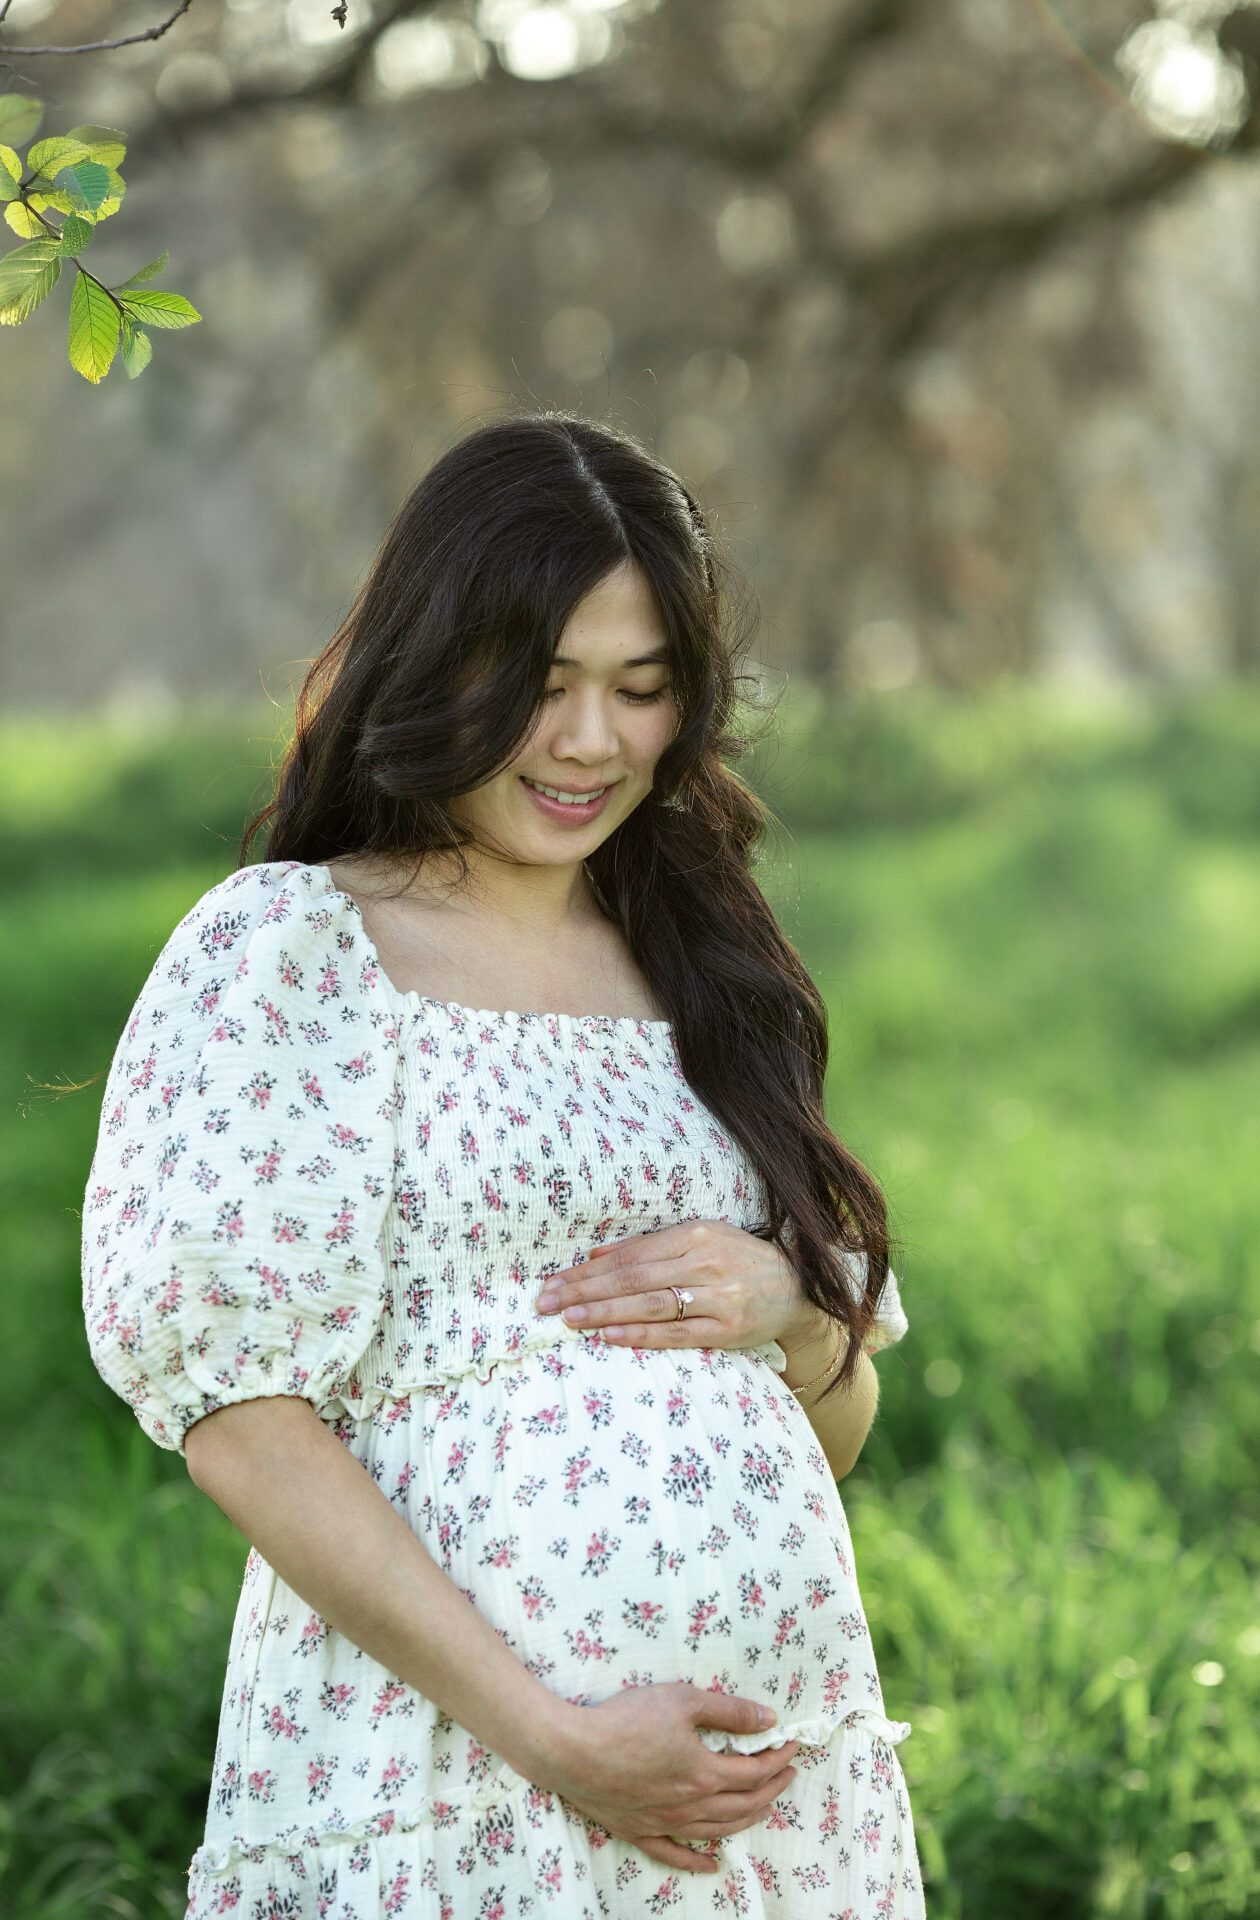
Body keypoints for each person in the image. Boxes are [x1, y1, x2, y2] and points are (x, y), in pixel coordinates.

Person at [82, 412, 926, 1918]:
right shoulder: (293, 956)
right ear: (434, 662)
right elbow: (241, 1420)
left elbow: (836, 1434)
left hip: (762, 1825)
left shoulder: (709, 967)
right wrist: (554, 1737)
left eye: (641, 689)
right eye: (540, 685)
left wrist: (792, 1318)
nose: (593, 741)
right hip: (448, 1784)